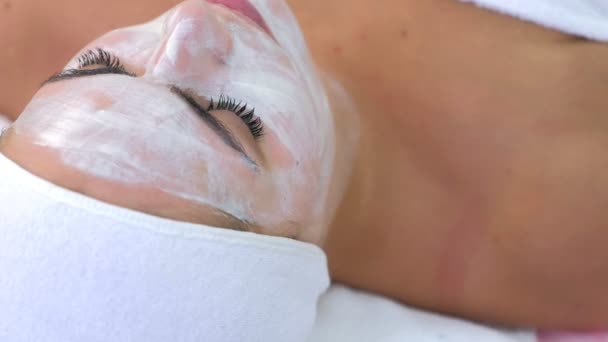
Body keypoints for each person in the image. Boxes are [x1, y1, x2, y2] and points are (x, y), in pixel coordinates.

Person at [2, 0, 608, 331]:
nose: (188, 23)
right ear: (297, 247)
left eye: (99, 66)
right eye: (224, 118)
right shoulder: (578, 215)